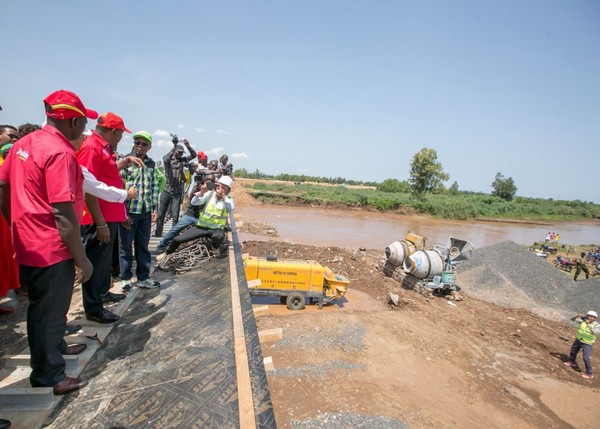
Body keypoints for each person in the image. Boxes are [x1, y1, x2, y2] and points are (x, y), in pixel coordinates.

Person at [0, 89, 95, 395]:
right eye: (83, 122)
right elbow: (62, 212)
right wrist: (82, 259)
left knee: (49, 307)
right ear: (75, 122)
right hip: (51, 247)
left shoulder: (23, 144)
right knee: (47, 311)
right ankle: (49, 375)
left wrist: (17, 221)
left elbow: (2, 187)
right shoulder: (61, 152)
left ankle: (57, 347)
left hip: (27, 240)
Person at [77, 112, 141, 324]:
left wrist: (124, 161)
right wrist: (101, 223)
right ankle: (94, 308)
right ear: (114, 131)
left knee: (104, 262)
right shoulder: (91, 148)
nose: (121, 138)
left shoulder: (102, 147)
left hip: (110, 214)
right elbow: (89, 188)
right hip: (99, 218)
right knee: (96, 262)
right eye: (121, 134)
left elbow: (106, 174)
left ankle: (102, 293)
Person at [119, 131, 160, 291]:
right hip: (129, 211)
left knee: (143, 245)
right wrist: (122, 213)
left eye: (144, 144)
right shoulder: (126, 162)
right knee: (126, 246)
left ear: (149, 147)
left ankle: (143, 277)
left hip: (145, 211)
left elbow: (154, 187)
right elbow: (119, 187)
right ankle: (126, 278)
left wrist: (154, 208)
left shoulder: (151, 164)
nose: (140, 147)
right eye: (138, 143)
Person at [162, 175, 234, 259]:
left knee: (220, 236)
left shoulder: (228, 199)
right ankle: (166, 253)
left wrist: (223, 196)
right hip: (201, 228)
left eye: (223, 188)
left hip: (215, 229)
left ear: (228, 190)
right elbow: (194, 202)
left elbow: (230, 208)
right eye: (219, 186)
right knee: (178, 239)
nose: (220, 189)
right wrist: (202, 192)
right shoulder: (210, 194)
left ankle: (213, 248)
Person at [154, 175, 214, 254]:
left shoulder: (214, 191)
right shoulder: (198, 187)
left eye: (211, 181)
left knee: (209, 231)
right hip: (190, 214)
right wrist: (201, 191)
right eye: (208, 180)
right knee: (175, 229)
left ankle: (210, 247)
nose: (209, 182)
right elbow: (192, 199)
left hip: (201, 217)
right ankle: (162, 245)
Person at [154, 135, 197, 236]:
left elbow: (194, 155)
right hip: (167, 190)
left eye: (182, 153)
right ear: (175, 151)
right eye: (179, 152)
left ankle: (171, 236)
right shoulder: (169, 160)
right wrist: (174, 146)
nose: (181, 154)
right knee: (161, 215)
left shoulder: (182, 160)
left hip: (177, 192)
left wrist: (188, 146)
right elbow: (165, 159)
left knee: (175, 216)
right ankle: (158, 234)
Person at [564, 310, 600, 379]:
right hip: (578, 340)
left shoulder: (597, 325)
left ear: (595, 318)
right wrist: (577, 316)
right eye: (588, 316)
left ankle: (589, 374)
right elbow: (572, 320)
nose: (590, 317)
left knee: (586, 358)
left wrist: (588, 324)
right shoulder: (583, 321)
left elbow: (596, 332)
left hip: (587, 343)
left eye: (592, 317)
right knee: (573, 351)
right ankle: (571, 361)